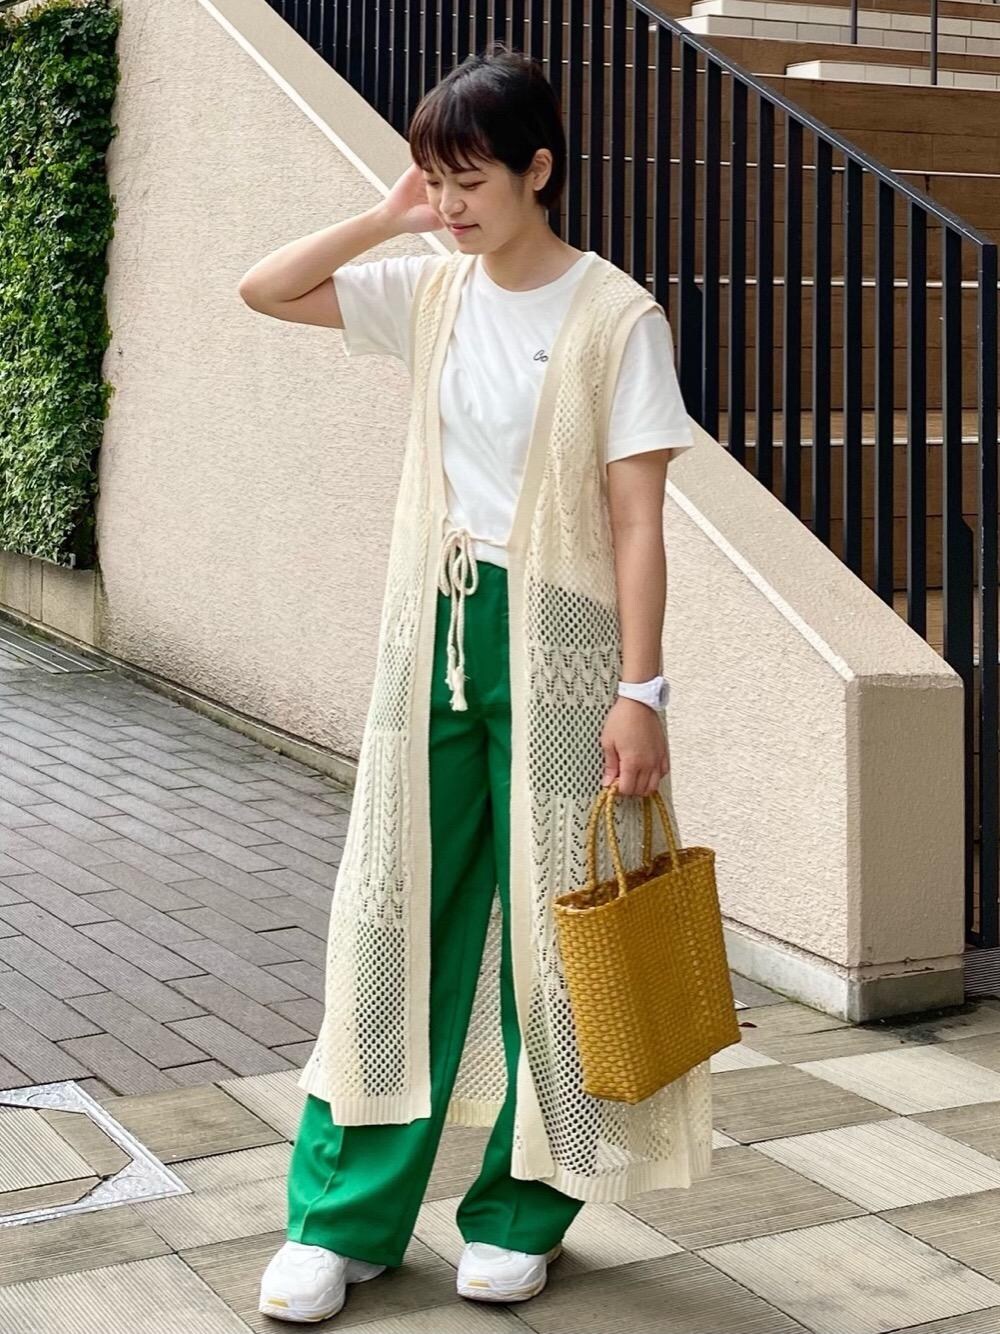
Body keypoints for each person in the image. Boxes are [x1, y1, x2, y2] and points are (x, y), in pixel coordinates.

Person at [238, 42, 710, 1325]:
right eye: (433, 179)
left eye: (469, 180)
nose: (449, 204)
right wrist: (386, 213)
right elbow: (266, 288)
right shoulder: (429, 287)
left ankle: (519, 1211)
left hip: (562, 648)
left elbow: (637, 521)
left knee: (557, 939)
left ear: (537, 170)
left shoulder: (616, 318)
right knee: (389, 916)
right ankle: (339, 1218)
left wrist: (643, 690)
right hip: (433, 636)